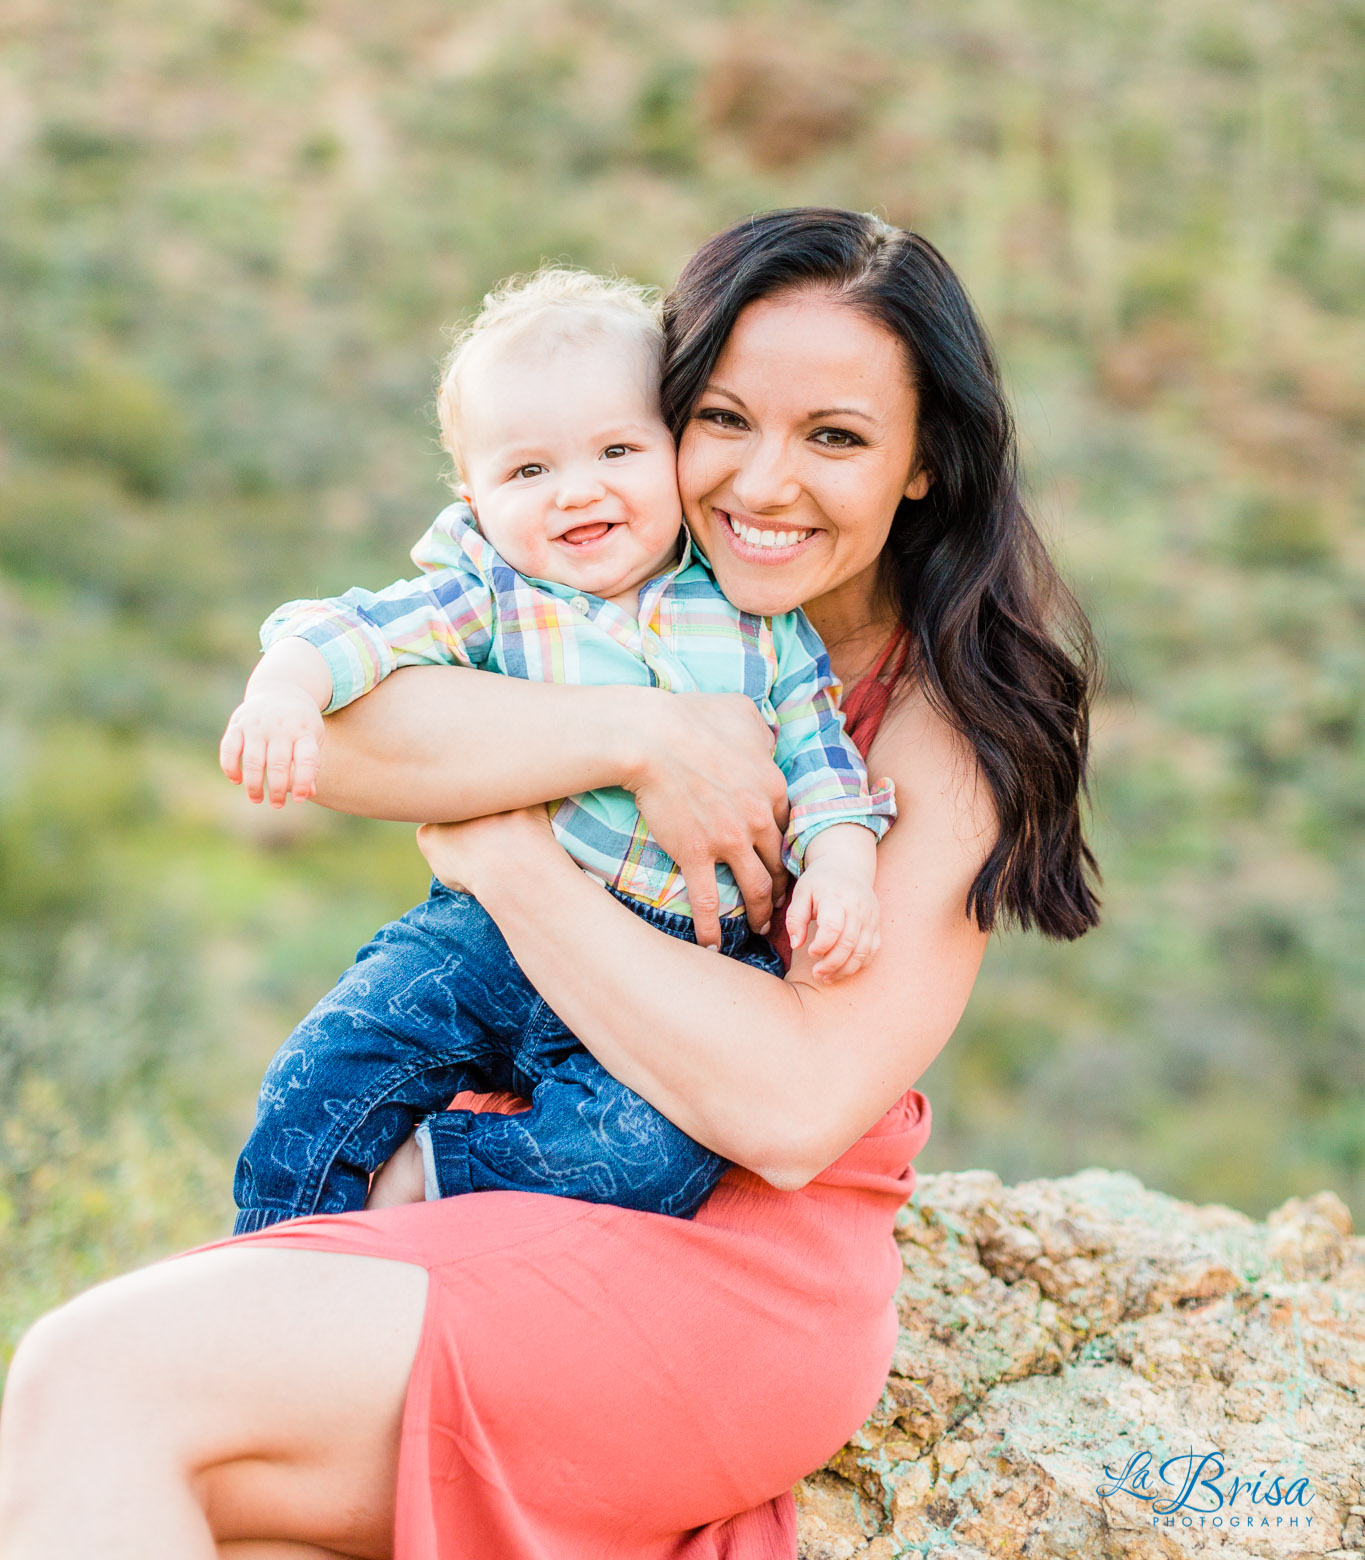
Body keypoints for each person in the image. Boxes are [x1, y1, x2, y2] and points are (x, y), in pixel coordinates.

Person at [0, 209, 1101, 1560]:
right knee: (182, 1500)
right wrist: (644, 739)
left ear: (925, 463)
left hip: (721, 1257)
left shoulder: (945, 726)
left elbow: (796, 1106)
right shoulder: (569, 569)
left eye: (834, 437)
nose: (762, 483)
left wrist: (507, 856)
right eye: (723, 419)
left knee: (93, 1372)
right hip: (507, 1207)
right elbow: (342, 735)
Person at [221, 266, 894, 1233]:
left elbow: (822, 758)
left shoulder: (756, 618)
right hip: (482, 937)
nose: (578, 493)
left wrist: (842, 866)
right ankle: (267, 1268)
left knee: (647, 1158)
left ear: (674, 453)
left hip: (683, 958)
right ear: (473, 496)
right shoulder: (492, 592)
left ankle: (427, 1174)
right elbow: (356, 632)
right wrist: (285, 689)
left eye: (616, 450)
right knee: (326, 1067)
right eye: (527, 472)